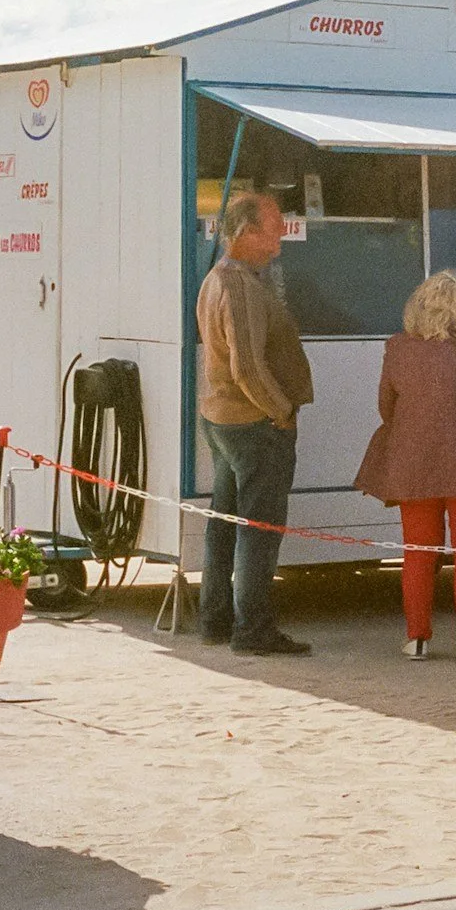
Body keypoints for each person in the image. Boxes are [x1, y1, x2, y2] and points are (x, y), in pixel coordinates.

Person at [355, 271, 456, 663]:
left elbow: (385, 409)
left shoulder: (398, 348)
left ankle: (417, 639)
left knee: (419, 552)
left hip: (413, 462)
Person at [196, 193, 315, 656]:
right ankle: (253, 629)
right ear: (246, 231)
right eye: (273, 226)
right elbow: (247, 365)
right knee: (257, 531)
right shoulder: (239, 284)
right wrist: (280, 412)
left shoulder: (218, 279)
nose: (280, 236)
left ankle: (216, 620)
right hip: (252, 424)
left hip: (224, 419)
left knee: (224, 525)